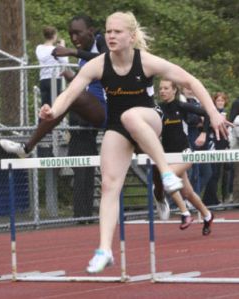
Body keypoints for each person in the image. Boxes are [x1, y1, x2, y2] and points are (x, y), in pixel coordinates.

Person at [39, 11, 231, 274]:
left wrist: (211, 112)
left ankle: (166, 172)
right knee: (109, 184)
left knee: (131, 115)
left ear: (131, 36)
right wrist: (52, 111)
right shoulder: (98, 64)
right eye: (108, 31)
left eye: (117, 31)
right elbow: (70, 94)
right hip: (118, 127)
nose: (112, 36)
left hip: (149, 119)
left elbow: (190, 80)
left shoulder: (146, 62)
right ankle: (105, 249)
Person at [0, 15, 107, 157]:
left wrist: (72, 51)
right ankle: (26, 148)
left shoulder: (101, 40)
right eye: (71, 34)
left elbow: (108, 60)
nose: (74, 38)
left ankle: (29, 146)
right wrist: (74, 78)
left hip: (108, 110)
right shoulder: (84, 54)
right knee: (66, 95)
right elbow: (90, 83)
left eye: (77, 33)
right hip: (92, 109)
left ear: (90, 31)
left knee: (71, 95)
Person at [154, 79, 214, 232]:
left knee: (167, 178)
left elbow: (206, 114)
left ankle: (185, 213)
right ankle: (207, 215)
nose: (162, 91)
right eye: (161, 88)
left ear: (174, 90)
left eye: (166, 88)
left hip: (185, 153)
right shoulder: (158, 109)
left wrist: (204, 133)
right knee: (187, 192)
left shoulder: (182, 106)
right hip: (168, 154)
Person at [203, 92, 230, 206]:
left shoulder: (224, 113)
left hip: (221, 146)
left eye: (222, 101)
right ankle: (209, 200)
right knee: (212, 173)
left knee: (217, 173)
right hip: (212, 145)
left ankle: (212, 199)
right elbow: (208, 126)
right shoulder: (212, 113)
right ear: (214, 102)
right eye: (218, 100)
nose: (220, 102)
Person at [35, 26, 69, 108]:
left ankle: (43, 120)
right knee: (55, 106)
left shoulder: (39, 48)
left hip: (43, 79)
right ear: (54, 36)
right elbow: (65, 61)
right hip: (54, 79)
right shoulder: (55, 50)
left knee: (45, 106)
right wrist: (62, 48)